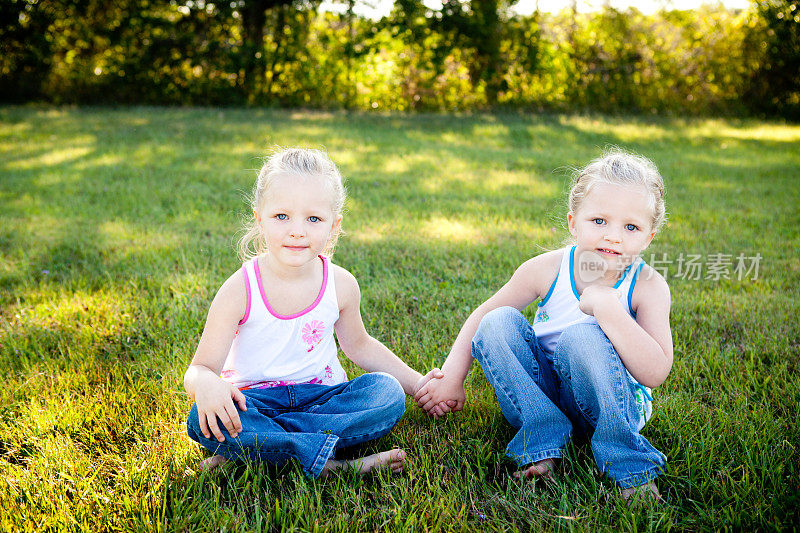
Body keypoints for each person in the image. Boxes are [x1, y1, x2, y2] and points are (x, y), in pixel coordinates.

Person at [414, 149, 672, 500]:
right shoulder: (546, 268)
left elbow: (655, 372)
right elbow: (480, 318)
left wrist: (609, 311)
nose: (613, 236)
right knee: (497, 321)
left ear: (649, 236)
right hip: (542, 397)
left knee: (583, 336)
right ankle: (545, 440)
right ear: (572, 222)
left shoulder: (648, 286)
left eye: (631, 227)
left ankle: (627, 465)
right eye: (599, 221)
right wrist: (452, 376)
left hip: (608, 404)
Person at [184, 147, 443, 477]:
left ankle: (260, 450)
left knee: (386, 394)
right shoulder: (240, 289)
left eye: (313, 219)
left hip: (324, 400)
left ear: (333, 225)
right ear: (258, 218)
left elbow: (360, 346)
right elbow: (200, 369)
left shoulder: (341, 283)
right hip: (256, 404)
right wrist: (206, 385)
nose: (297, 230)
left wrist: (418, 385)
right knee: (201, 418)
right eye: (282, 216)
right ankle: (335, 466)